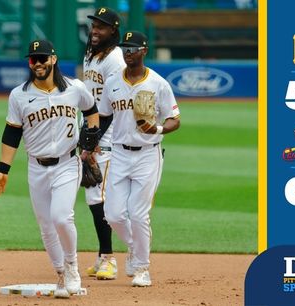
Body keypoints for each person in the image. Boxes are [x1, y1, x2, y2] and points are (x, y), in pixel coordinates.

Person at [0, 39, 100, 298]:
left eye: (42, 58)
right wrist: (2, 170)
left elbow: (92, 110)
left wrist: (92, 138)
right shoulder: (19, 94)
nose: (37, 63)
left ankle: (72, 266)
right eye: (32, 59)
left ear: (53, 59)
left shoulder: (75, 87)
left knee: (62, 217)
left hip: (67, 163)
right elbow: (11, 134)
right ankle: (61, 273)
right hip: (36, 167)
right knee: (46, 226)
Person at [98, 31, 181, 287]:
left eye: (133, 48)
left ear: (144, 51)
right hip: (119, 153)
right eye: (125, 48)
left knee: (138, 214)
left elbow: (174, 119)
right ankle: (134, 247)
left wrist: (156, 129)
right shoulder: (112, 81)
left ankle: (143, 268)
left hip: (148, 155)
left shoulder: (158, 83)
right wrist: (90, 145)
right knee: (112, 214)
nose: (128, 53)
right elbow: (103, 117)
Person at [81, 7, 126, 280]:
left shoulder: (115, 60)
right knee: (92, 195)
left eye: (102, 26)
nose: (96, 30)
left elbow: (110, 108)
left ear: (114, 30)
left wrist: (93, 142)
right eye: (94, 25)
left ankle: (110, 259)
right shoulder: (91, 54)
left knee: (97, 196)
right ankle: (102, 256)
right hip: (91, 130)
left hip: (107, 134)